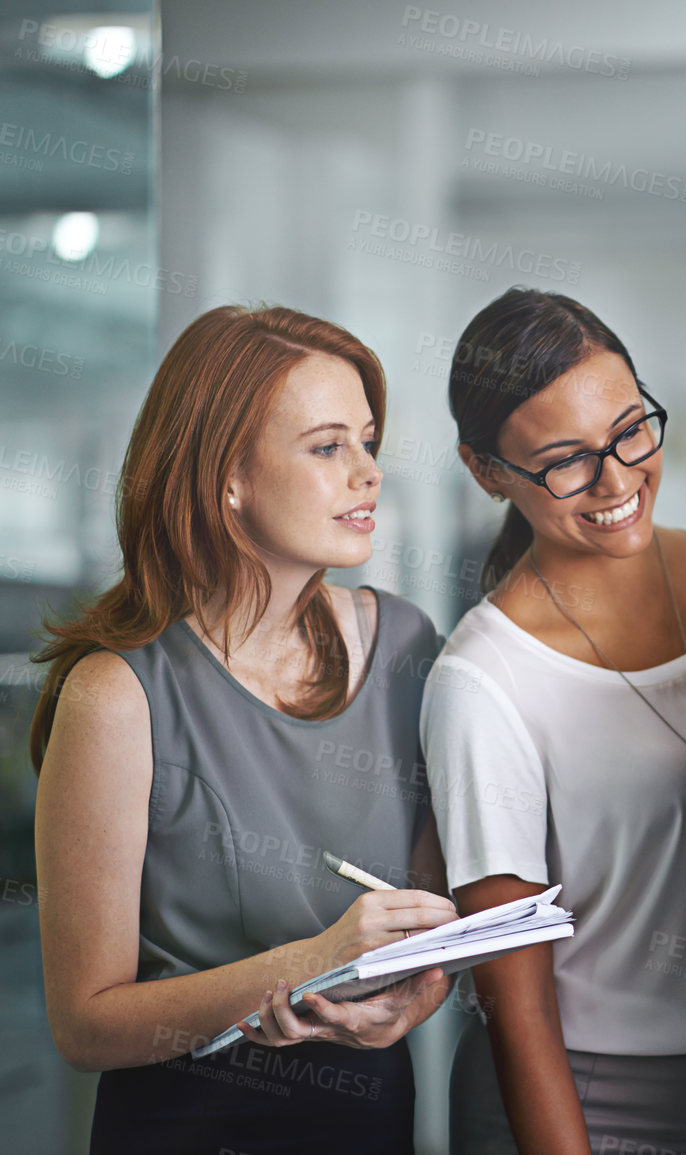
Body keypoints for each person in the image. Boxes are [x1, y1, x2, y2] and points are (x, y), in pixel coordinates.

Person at [29, 305, 458, 1155]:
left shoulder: (408, 646)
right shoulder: (116, 697)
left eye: (368, 442)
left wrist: (417, 995)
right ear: (230, 477)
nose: (367, 474)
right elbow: (85, 1026)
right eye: (328, 446)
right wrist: (311, 960)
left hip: (370, 1120)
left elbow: (427, 923)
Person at [423, 287, 686, 1155]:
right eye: (565, 461)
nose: (616, 479)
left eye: (630, 429)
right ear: (487, 471)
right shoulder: (484, 680)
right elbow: (516, 1004)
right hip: (575, 1097)